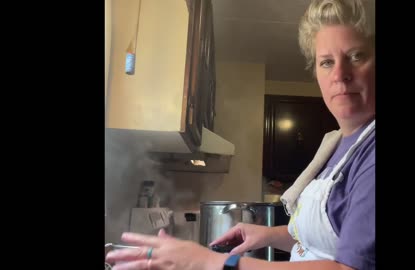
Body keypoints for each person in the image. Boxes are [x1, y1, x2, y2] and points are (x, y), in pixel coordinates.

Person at [105, 0, 375, 269]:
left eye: (356, 56)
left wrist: (212, 262)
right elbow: (322, 241)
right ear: (316, 73)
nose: (340, 74)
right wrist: (267, 235)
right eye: (326, 62)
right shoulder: (337, 144)